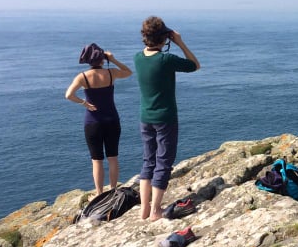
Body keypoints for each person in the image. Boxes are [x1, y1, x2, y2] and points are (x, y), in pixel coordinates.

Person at [134, 17, 200, 220]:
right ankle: (156, 211)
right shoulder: (165, 59)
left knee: (148, 161)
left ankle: (144, 209)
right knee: (163, 162)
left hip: (145, 117)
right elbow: (194, 65)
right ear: (164, 38)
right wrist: (180, 43)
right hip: (165, 117)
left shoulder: (138, 58)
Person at [65, 43, 133, 196]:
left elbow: (68, 95)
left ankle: (99, 193)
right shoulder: (111, 73)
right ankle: (113, 190)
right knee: (113, 158)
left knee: (96, 160)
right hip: (112, 119)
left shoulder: (82, 77)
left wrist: (84, 103)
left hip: (93, 122)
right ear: (103, 58)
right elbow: (128, 72)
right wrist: (113, 60)